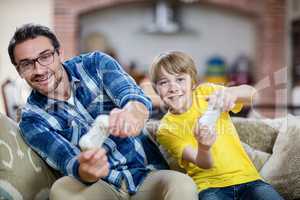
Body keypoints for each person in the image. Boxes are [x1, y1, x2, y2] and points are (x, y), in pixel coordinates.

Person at [8, 24, 198, 200]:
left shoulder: (95, 64)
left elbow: (133, 98)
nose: (39, 69)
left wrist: (132, 113)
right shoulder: (32, 121)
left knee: (183, 185)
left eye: (45, 56)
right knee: (62, 189)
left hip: (146, 174)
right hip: (101, 186)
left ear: (59, 53)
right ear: (19, 71)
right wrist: (87, 170)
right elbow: (68, 162)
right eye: (26, 64)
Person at [149, 51, 283, 200]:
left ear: (193, 83)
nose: (173, 88)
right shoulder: (166, 129)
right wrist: (204, 147)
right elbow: (204, 163)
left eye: (180, 79)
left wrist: (232, 93)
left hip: (250, 180)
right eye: (164, 82)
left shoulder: (207, 92)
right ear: (156, 89)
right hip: (210, 188)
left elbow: (253, 93)